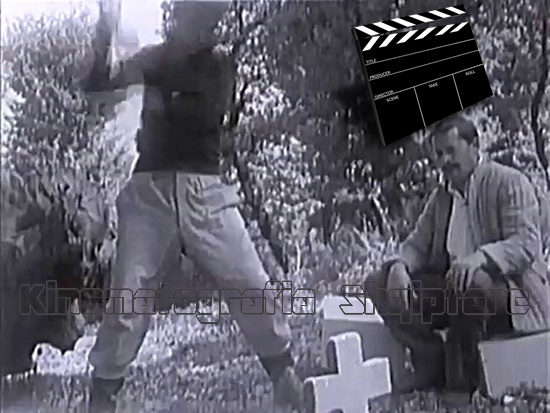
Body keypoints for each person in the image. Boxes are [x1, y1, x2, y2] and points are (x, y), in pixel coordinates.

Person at [81, 1, 304, 411]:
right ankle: (101, 399)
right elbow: (98, 92)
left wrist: (158, 99)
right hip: (150, 194)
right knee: (128, 298)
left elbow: (202, 117)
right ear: (180, 18)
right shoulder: (153, 58)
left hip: (205, 191)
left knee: (251, 283)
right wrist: (104, 38)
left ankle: (285, 378)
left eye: (210, 22)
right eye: (197, 18)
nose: (205, 29)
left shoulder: (219, 64)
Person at [363, 115, 550, 395]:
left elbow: (526, 243)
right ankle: (431, 360)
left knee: (472, 281)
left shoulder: (508, 182)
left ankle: (463, 382)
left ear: (474, 147)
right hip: (455, 292)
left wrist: (480, 258)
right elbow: (416, 244)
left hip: (514, 299)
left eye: (451, 151)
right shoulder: (442, 198)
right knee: (378, 283)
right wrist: (399, 266)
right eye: (439, 154)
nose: (445, 161)